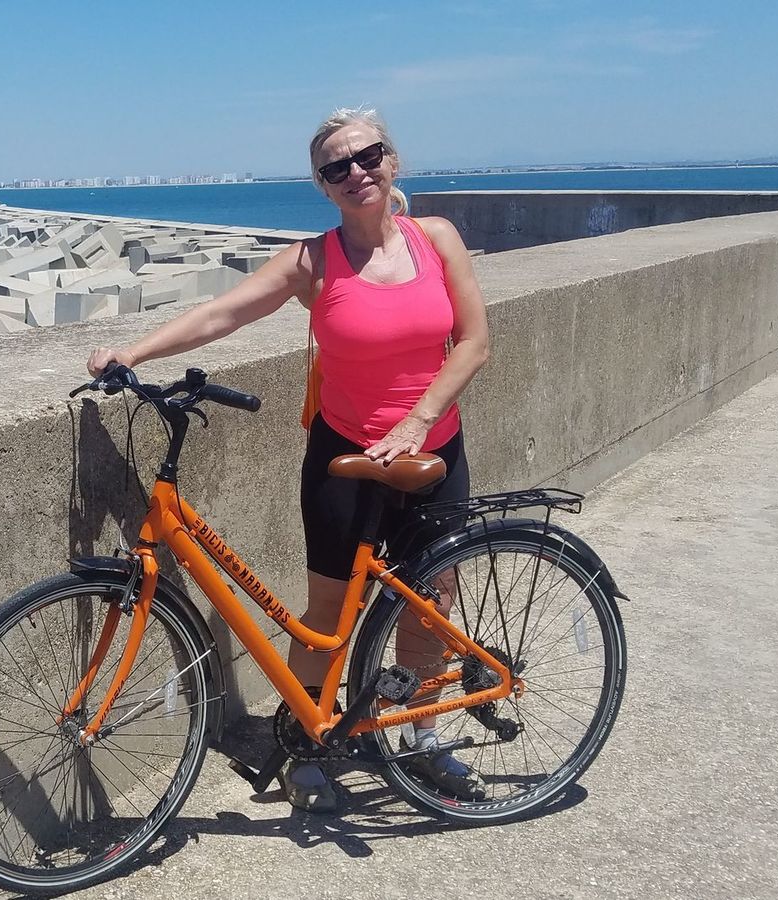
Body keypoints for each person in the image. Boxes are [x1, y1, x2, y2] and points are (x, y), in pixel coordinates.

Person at [85, 108, 491, 813]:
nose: (356, 173)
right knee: (326, 614)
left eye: (368, 156)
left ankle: (423, 736)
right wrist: (134, 352)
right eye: (337, 167)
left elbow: (475, 342)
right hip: (344, 453)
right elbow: (226, 313)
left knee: (432, 603)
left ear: (392, 160)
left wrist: (418, 420)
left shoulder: (437, 239)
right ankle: (305, 742)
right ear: (322, 185)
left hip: (433, 446)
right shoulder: (313, 261)